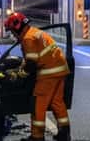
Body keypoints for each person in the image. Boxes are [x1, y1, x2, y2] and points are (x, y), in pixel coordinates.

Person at [4, 12, 71, 141]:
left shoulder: (28, 38)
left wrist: (19, 75)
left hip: (48, 73)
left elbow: (31, 64)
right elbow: (33, 57)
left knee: (38, 105)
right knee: (57, 103)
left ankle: (37, 136)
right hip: (61, 69)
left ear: (17, 27)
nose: (13, 35)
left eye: (12, 32)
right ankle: (64, 133)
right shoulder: (35, 32)